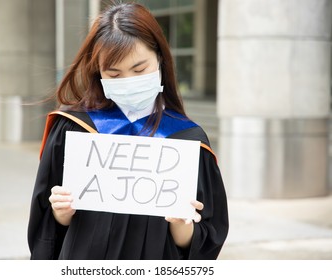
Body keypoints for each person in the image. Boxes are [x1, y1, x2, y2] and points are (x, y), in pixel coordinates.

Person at [28, 2, 229, 260]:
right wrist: (60, 213)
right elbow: (46, 229)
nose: (128, 81)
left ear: (160, 59)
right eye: (113, 74)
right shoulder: (73, 129)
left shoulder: (187, 141)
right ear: (98, 73)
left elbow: (205, 240)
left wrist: (183, 224)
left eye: (139, 69)